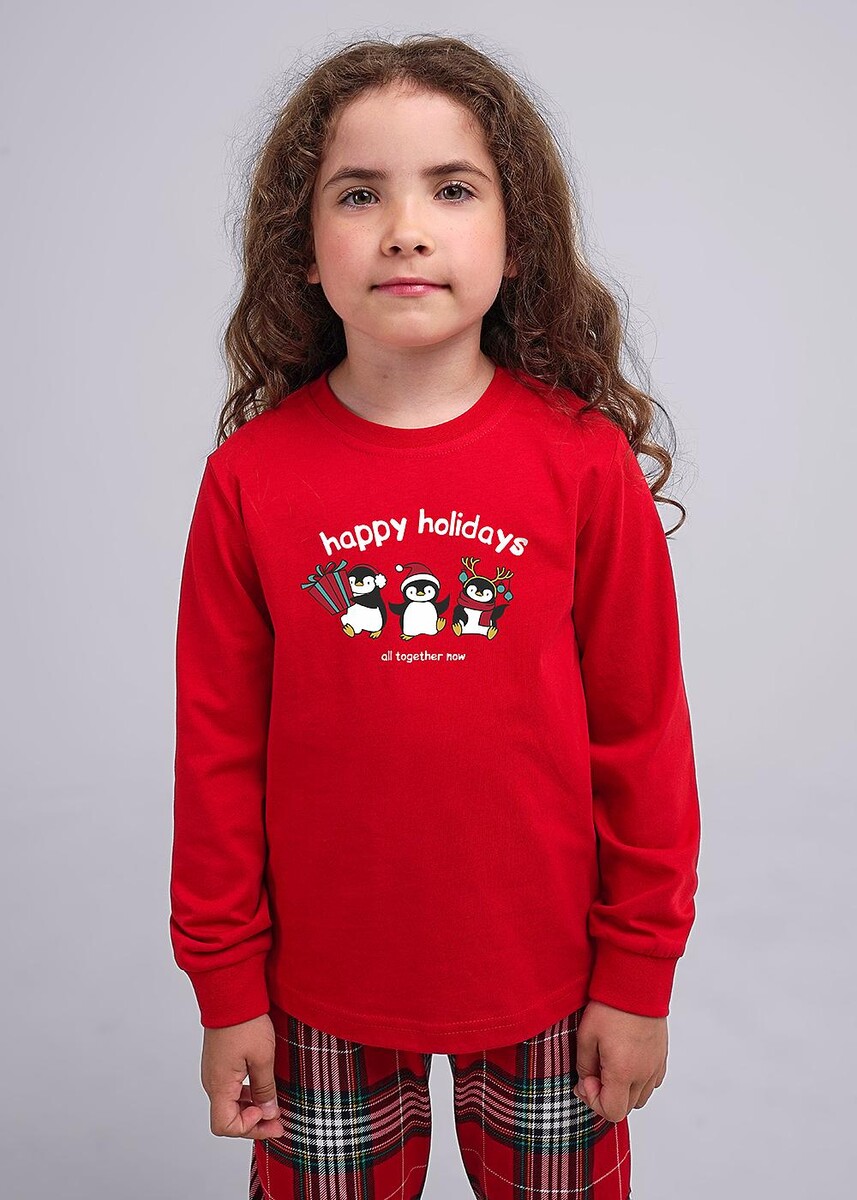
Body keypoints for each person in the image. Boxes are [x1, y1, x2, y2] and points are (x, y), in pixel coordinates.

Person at [169, 33, 701, 1200]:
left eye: (452, 190)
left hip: (556, 989)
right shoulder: (251, 480)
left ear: (516, 240)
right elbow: (216, 757)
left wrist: (636, 976)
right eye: (358, 194)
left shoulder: (583, 465)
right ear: (302, 247)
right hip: (313, 999)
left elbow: (642, 740)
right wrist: (226, 990)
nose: (404, 228)